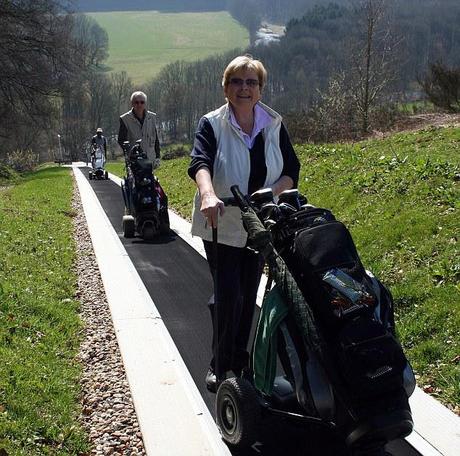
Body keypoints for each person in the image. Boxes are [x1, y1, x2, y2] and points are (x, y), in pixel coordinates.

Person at [188, 55, 300, 392]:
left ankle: (239, 357)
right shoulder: (212, 123)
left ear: (261, 89)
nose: (244, 88)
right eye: (237, 81)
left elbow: (291, 170)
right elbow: (200, 162)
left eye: (251, 82)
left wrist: (272, 192)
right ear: (225, 87)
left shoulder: (274, 124)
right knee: (229, 293)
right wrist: (208, 194)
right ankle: (220, 365)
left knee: (248, 291)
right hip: (221, 218)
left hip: (260, 223)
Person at [118, 91, 161, 168]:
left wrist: (158, 156)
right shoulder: (125, 119)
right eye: (136, 102)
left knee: (152, 180)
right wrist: (129, 153)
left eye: (142, 102)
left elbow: (156, 139)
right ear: (132, 103)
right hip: (134, 161)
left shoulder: (152, 117)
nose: (139, 105)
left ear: (145, 103)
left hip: (150, 159)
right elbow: (121, 140)